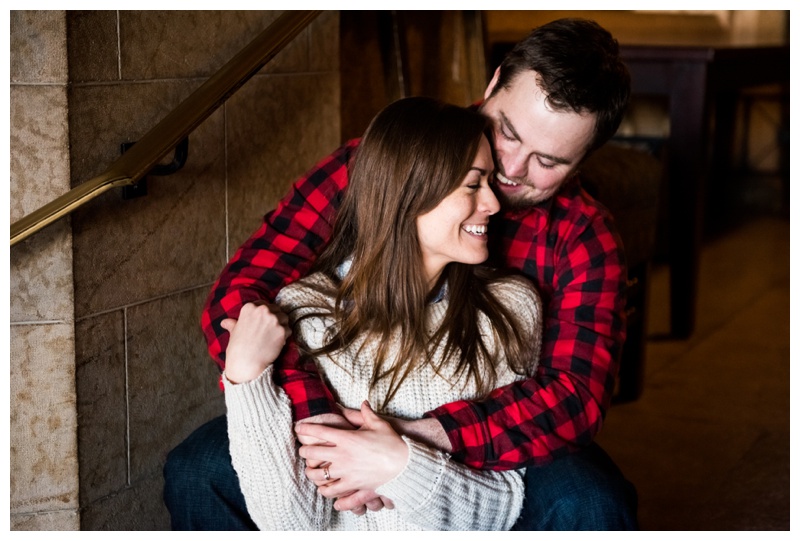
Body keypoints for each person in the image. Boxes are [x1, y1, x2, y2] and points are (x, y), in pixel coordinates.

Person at [164, 17, 638, 530]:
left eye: (547, 160)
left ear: (582, 161)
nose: (511, 169)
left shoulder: (583, 237)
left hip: (480, 437)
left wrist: (414, 443)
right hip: (338, 403)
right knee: (198, 468)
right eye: (506, 130)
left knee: (591, 501)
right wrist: (329, 434)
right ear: (493, 83)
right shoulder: (384, 165)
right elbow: (241, 293)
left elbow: (574, 397)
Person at [222, 97, 543, 530]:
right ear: (410, 194)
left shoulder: (508, 308)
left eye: (489, 182)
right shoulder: (308, 312)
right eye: (473, 185)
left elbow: (499, 509)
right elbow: (296, 527)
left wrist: (398, 462)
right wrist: (245, 378)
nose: (494, 204)